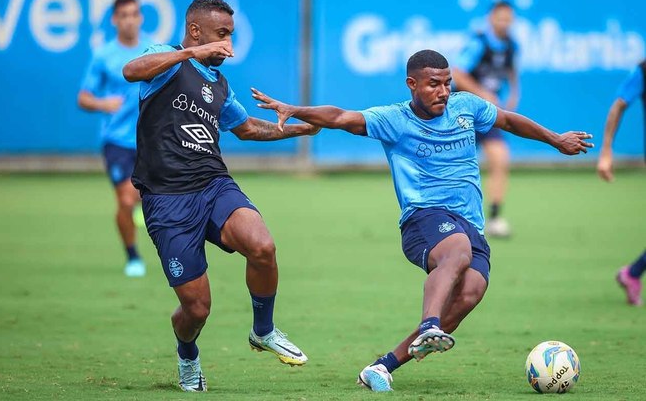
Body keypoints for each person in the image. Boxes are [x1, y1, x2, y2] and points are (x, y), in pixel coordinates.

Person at [251, 49, 592, 392]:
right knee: (456, 252)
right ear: (412, 85)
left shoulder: (466, 106)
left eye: (447, 83)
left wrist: (555, 139)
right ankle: (430, 324)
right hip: (422, 219)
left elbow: (507, 120)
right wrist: (295, 109)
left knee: (472, 291)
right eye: (433, 85)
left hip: (469, 223)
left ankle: (382, 367)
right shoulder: (393, 119)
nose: (443, 91)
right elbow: (341, 116)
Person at [122, 0, 318, 392]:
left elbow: (246, 128)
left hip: (213, 184)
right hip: (167, 199)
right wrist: (192, 52)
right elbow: (131, 70)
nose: (228, 45)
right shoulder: (165, 57)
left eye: (230, 34)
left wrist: (301, 127)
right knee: (196, 309)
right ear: (195, 31)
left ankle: (263, 330)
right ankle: (188, 357)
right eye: (221, 35)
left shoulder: (219, 84)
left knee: (262, 246)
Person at [77, 0, 152, 277]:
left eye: (134, 14)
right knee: (124, 199)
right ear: (114, 20)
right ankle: (133, 256)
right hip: (117, 140)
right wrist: (102, 103)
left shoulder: (154, 49)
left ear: (141, 17)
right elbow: (83, 97)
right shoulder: (104, 55)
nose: (129, 20)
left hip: (151, 140)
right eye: (123, 15)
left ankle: (143, 203)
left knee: (152, 196)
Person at [452, 0, 519, 238]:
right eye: (500, 17)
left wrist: (513, 93)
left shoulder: (511, 45)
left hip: (485, 114)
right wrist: (483, 94)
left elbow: (511, 71)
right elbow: (457, 74)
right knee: (455, 167)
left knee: (500, 158)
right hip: (461, 111)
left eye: (508, 18)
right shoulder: (478, 43)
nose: (504, 22)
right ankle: (447, 216)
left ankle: (494, 217)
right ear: (491, 18)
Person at [597, 61, 646, 306]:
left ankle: (633, 273)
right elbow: (618, 106)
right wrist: (606, 151)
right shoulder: (643, 71)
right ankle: (633, 273)